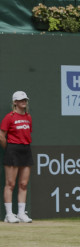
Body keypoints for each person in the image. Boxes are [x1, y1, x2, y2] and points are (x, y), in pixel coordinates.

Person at [0, 91, 33, 223]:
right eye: (20, 100)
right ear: (15, 102)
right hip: (12, 149)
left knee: (23, 184)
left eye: (25, 99)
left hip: (26, 150)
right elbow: (1, 135)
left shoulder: (28, 117)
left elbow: (27, 133)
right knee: (10, 184)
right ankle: (9, 215)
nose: (23, 102)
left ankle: (21, 213)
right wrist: (8, 149)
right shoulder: (9, 117)